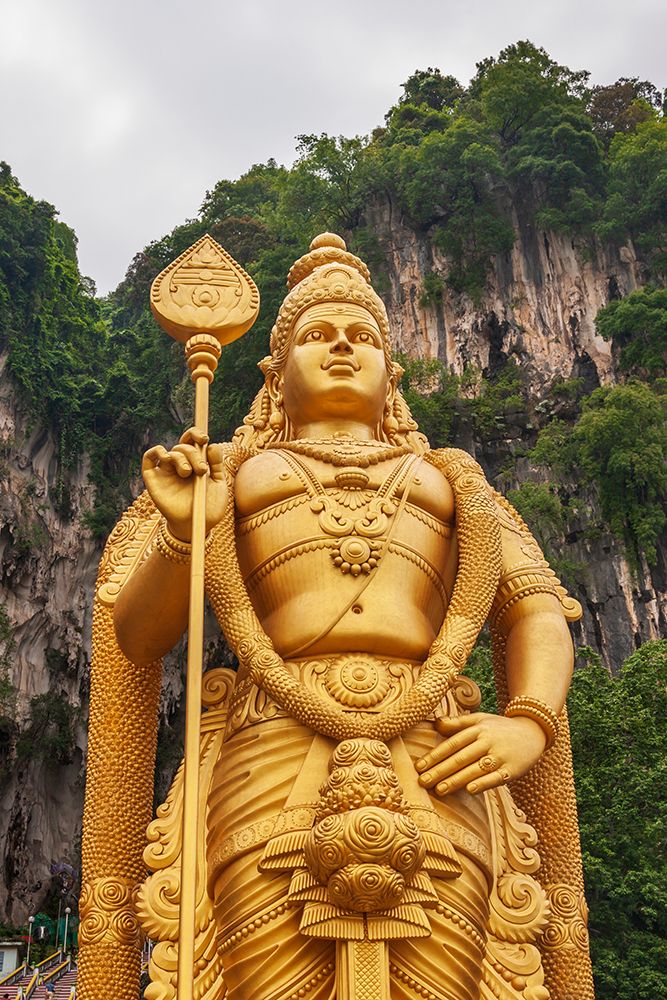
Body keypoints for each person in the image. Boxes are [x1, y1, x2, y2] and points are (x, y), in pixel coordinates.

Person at [80, 234, 593, 1000]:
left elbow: (535, 609)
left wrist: (528, 721)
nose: (343, 347)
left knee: (446, 977)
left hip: (433, 754)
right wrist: (184, 534)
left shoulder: (452, 484)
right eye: (317, 336)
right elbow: (136, 633)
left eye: (363, 337)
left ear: (392, 371)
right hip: (271, 748)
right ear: (274, 372)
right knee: (262, 976)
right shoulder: (226, 475)